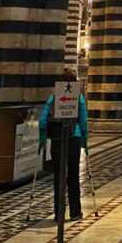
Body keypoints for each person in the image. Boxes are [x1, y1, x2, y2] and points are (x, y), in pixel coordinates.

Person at [38, 68, 87, 222]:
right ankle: (75, 212)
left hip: (58, 139)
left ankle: (59, 213)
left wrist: (43, 139)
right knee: (73, 175)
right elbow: (83, 122)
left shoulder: (54, 98)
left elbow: (42, 121)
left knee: (59, 177)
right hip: (74, 139)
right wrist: (85, 141)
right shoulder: (78, 98)